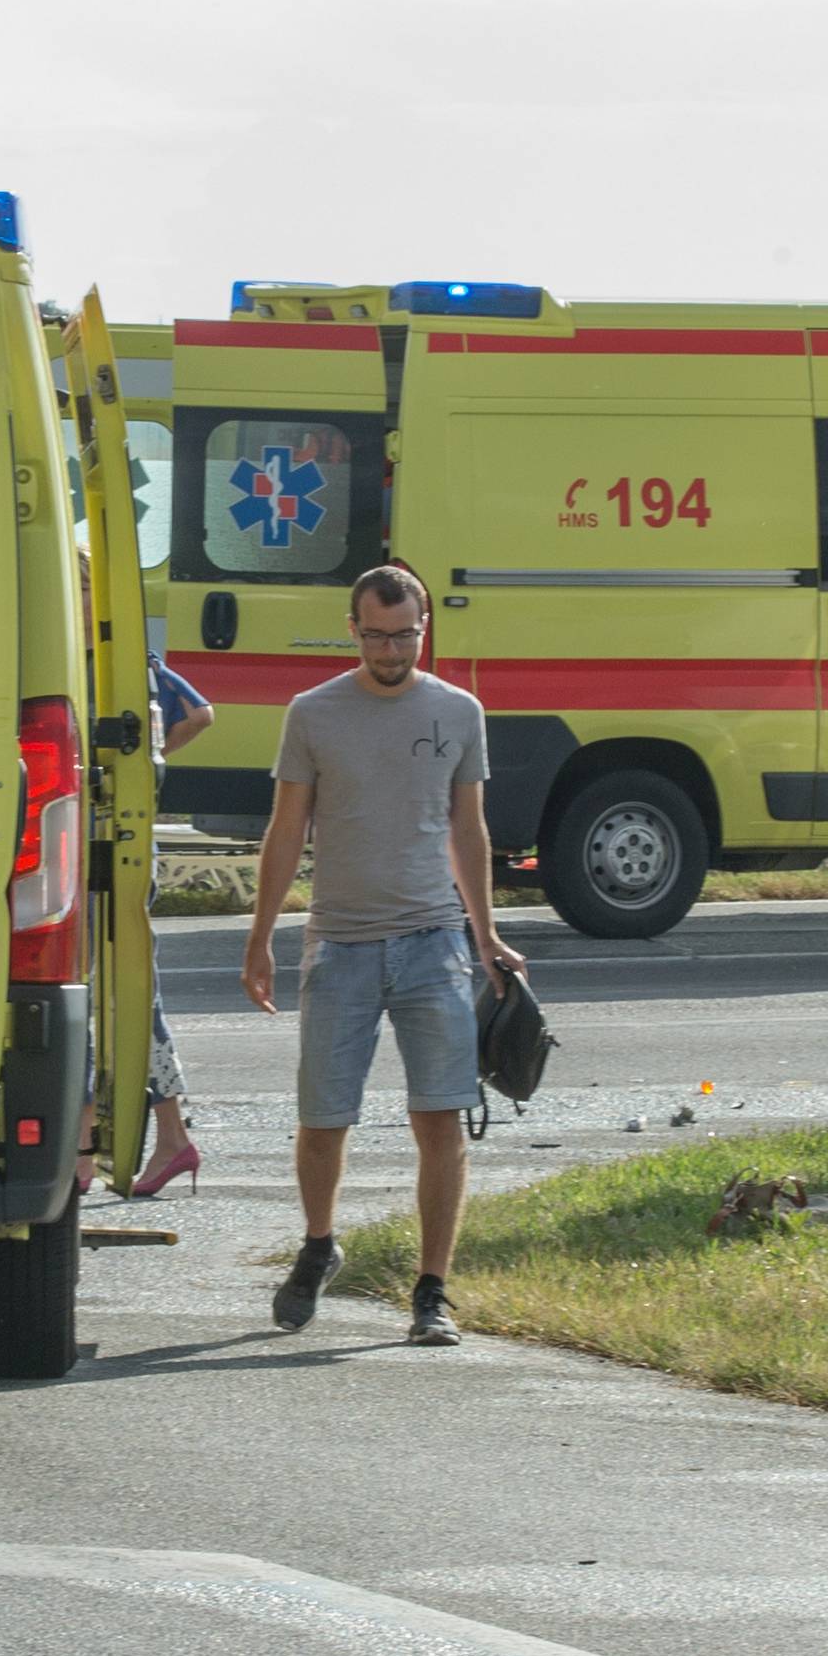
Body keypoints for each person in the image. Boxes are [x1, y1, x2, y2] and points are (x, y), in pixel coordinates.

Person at [243, 564, 525, 1347]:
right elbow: (286, 829)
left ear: (425, 627)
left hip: (435, 942)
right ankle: (319, 1242)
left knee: (441, 1119)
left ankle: (431, 1292)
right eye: (377, 634)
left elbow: (469, 831)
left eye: (406, 635)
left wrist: (487, 933)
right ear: (353, 628)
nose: (393, 648)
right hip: (339, 944)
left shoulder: (459, 711)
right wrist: (261, 935)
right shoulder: (313, 713)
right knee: (323, 1119)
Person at [132, 651, 215, 1197]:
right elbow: (198, 711)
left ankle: (91, 1145)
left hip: (107, 844)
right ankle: (167, 1134)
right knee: (126, 990)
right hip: (120, 838)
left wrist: (149, 761)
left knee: (123, 988)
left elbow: (201, 713)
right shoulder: (134, 663)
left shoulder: (118, 663)